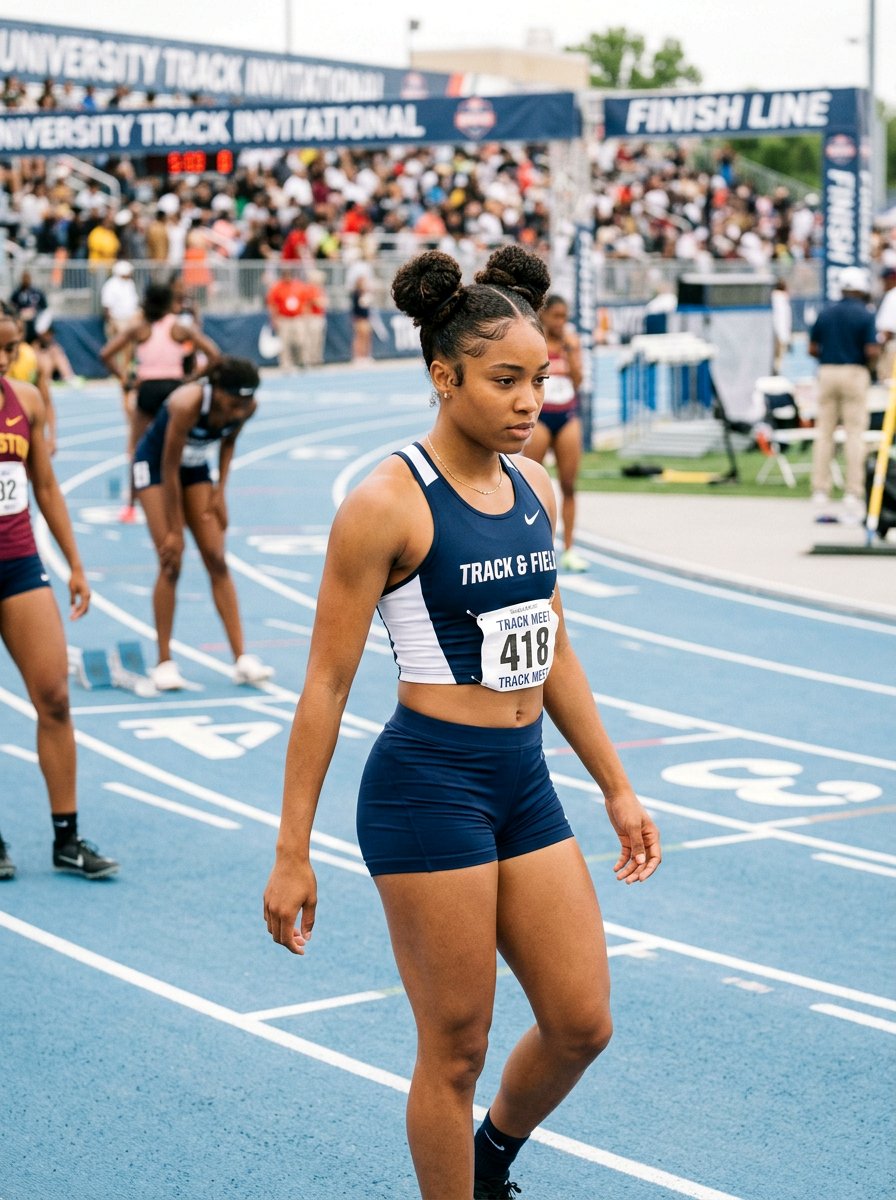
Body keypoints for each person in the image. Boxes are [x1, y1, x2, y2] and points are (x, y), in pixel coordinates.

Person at [263, 247, 661, 1200]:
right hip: (428, 787)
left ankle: (486, 1164)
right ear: (444, 378)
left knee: (581, 1021)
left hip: (523, 779)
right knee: (455, 1048)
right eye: (505, 381)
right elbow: (324, 685)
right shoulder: (384, 503)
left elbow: (553, 646)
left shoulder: (535, 488)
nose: (531, 402)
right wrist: (291, 851)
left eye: (541, 380)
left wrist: (615, 785)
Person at [0, 308, 118, 881]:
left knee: (54, 697)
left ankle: (66, 839)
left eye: (11, 347)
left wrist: (74, 563)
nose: (6, 358)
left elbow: (44, 485)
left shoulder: (26, 400)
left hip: (20, 565)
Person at [132, 356, 274, 691]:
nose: (238, 411)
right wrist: (174, 529)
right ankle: (164, 662)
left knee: (217, 558)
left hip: (195, 466)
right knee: (171, 561)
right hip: (156, 466)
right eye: (233, 404)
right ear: (216, 391)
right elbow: (169, 468)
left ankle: (241, 659)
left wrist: (220, 491)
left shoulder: (247, 406)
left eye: (244, 405)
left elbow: (228, 442)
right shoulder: (186, 404)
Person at [100, 282, 219, 523]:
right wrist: (193, 379)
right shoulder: (179, 328)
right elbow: (214, 354)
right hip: (174, 391)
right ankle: (181, 502)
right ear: (169, 303)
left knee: (137, 449)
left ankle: (131, 505)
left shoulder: (140, 329)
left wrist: (125, 379)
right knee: (177, 447)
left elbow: (105, 354)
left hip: (147, 389)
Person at [522, 294, 589, 572]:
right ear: (545, 315)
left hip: (567, 414)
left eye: (565, 316)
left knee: (569, 485)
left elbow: (579, 380)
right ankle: (532, 547)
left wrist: (570, 353)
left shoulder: (571, 343)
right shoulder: (534, 342)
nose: (561, 322)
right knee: (531, 486)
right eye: (557, 316)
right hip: (540, 418)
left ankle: (569, 549)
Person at [808, 266, 879, 524]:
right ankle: (853, 490)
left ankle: (820, 489)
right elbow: (871, 350)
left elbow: (812, 347)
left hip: (827, 371)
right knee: (854, 434)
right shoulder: (865, 314)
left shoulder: (826, 312)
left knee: (824, 433)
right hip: (854, 371)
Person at [9, 269, 47, 342]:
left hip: (34, 320)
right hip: (21, 320)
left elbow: (44, 307)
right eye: (24, 278)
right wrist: (20, 313)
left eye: (27, 278)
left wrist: (34, 311)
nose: (26, 280)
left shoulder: (37, 292)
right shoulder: (17, 292)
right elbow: (11, 306)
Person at [875, 266, 896, 387]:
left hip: (892, 346)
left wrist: (876, 347)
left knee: (888, 385)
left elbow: (887, 331)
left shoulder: (892, 295)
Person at [771, 278, 793, 374]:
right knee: (778, 357)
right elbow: (783, 319)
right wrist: (785, 337)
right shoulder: (781, 300)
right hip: (779, 333)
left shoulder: (775, 299)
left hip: (776, 332)